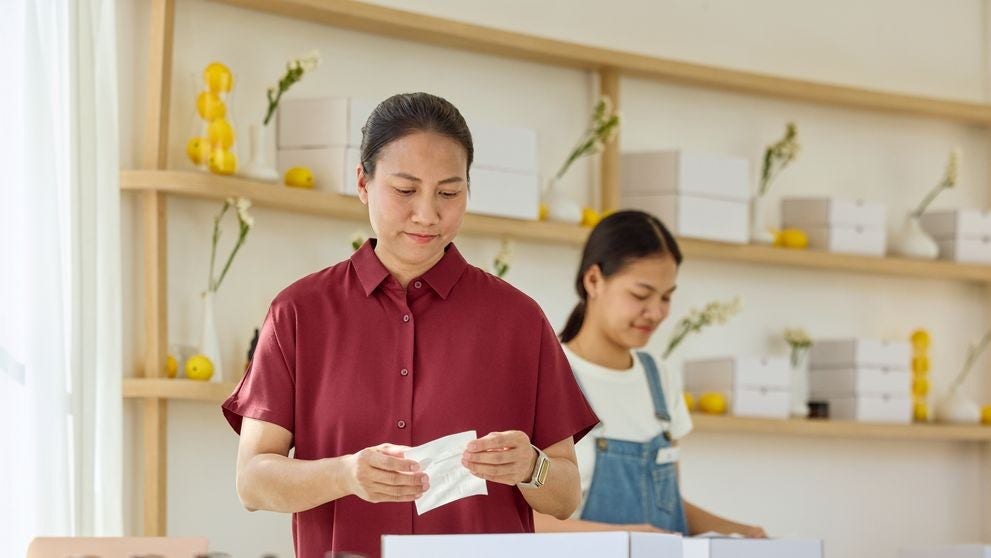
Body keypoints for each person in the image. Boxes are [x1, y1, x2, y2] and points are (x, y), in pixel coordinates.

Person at [222, 92, 599, 558]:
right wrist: (345, 474)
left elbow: (565, 496)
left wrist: (531, 466)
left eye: (448, 192)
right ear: (363, 182)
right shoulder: (299, 312)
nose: (427, 214)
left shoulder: (519, 320)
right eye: (404, 190)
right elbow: (253, 481)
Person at [533, 210, 767, 537]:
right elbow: (526, 521)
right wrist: (627, 538)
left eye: (667, 297)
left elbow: (667, 506)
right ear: (594, 280)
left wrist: (744, 533)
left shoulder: (660, 379)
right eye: (640, 295)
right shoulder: (548, 376)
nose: (656, 312)